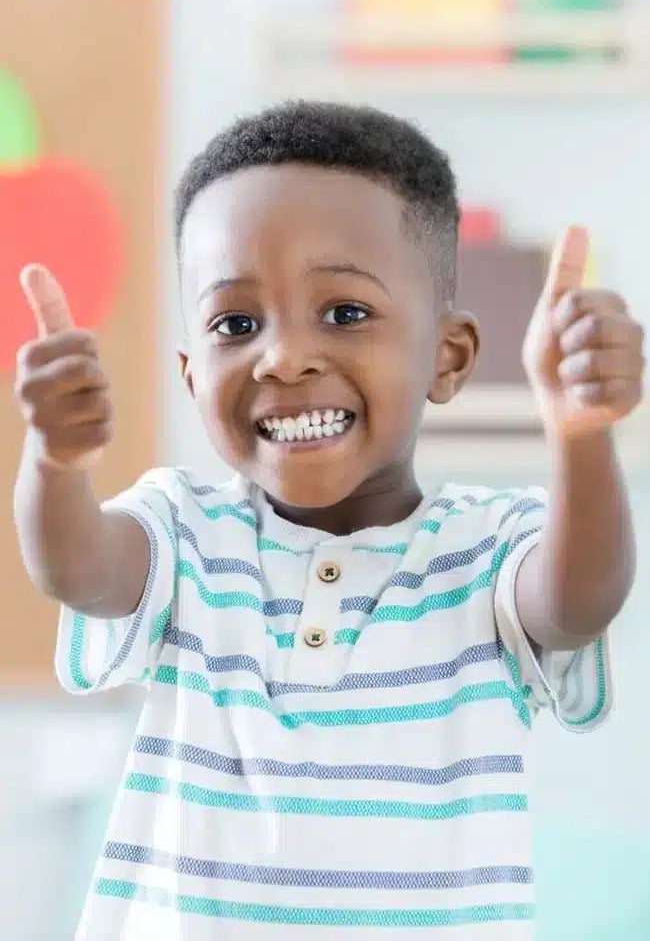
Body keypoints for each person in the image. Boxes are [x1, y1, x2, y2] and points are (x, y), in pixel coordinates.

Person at [13, 101, 645, 940]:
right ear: (193, 376)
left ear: (447, 357)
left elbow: (580, 599)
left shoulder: (490, 548)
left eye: (345, 313)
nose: (282, 357)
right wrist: (56, 462)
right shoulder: (183, 530)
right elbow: (77, 569)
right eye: (236, 324)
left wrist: (581, 436)